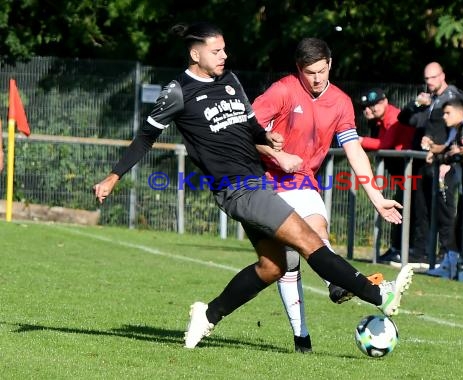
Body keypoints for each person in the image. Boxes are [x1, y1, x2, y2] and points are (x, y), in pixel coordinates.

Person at [92, 22, 414, 351]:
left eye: (224, 49)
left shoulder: (230, 82)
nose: (224, 55)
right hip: (238, 188)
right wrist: (114, 175)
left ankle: (208, 315)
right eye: (216, 51)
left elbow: (249, 125)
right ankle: (379, 295)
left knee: (272, 267)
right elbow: (147, 135)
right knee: (308, 240)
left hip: (255, 182)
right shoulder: (178, 91)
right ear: (195, 53)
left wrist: (268, 140)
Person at [251, 39, 397, 353]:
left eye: (321, 70)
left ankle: (336, 283)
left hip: (303, 181)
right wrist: (277, 155)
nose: (317, 78)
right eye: (309, 72)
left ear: (330, 63)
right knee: (287, 262)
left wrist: (375, 195)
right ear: (298, 70)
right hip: (267, 183)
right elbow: (244, 132)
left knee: (316, 230)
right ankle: (302, 337)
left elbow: (354, 150)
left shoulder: (341, 102)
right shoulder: (282, 91)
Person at [398, 62, 463, 276]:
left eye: (433, 78)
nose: (430, 83)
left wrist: (446, 157)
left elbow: (457, 126)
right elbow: (404, 118)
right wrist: (416, 104)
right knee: (423, 211)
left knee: (444, 213)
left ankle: (448, 259)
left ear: (443, 75)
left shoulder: (452, 97)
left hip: (444, 166)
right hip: (427, 165)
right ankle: (423, 256)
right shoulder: (430, 101)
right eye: (426, 79)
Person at [356, 87, 415, 263]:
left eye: (374, 104)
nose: (370, 109)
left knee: (410, 210)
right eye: (367, 106)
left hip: (411, 171)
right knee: (401, 208)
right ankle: (397, 248)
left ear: (385, 102)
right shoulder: (380, 121)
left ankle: (407, 251)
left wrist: (359, 141)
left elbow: (385, 143)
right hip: (402, 173)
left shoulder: (393, 116)